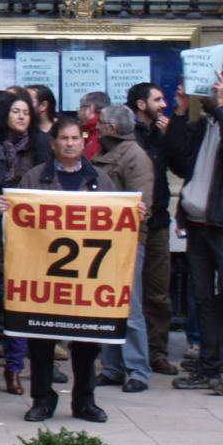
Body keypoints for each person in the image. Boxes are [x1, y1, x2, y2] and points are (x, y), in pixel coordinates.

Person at [9, 115, 120, 424]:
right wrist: (8, 209)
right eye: (65, 139)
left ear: (83, 142)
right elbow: (17, 222)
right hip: (44, 276)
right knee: (41, 339)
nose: (70, 143)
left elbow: (116, 223)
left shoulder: (100, 179)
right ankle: (42, 399)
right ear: (54, 143)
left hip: (85, 279)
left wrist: (135, 212)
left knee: (86, 342)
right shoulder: (34, 178)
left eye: (75, 138)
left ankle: (85, 400)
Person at [164, 72, 223, 397]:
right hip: (198, 224)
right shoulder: (205, 125)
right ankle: (210, 363)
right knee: (202, 297)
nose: (200, 96)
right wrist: (178, 112)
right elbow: (176, 158)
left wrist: (222, 107)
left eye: (208, 91)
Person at [0, 90, 45, 395]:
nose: (21, 117)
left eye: (26, 112)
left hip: (32, 236)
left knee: (25, 299)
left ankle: (15, 367)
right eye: (16, 111)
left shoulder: (41, 148)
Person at [93, 105, 156, 393]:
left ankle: (137, 370)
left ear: (112, 129)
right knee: (107, 306)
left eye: (101, 122)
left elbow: (141, 205)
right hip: (105, 241)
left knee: (130, 309)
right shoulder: (107, 153)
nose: (97, 126)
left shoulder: (135, 158)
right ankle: (114, 368)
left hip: (127, 243)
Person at [126, 82, 177, 375]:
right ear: (142, 105)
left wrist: (170, 135)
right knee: (127, 293)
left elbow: (182, 165)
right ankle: (123, 354)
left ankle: (157, 351)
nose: (164, 104)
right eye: (158, 99)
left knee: (158, 292)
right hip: (128, 227)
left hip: (156, 223)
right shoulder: (128, 135)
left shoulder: (163, 134)